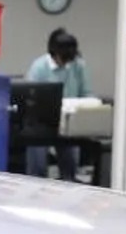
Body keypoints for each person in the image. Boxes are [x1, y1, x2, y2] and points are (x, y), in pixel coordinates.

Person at [24, 29, 90, 179]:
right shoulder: (39, 67)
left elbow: (86, 93)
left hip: (69, 123)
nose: (66, 63)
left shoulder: (78, 66)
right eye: (63, 59)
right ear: (54, 54)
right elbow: (29, 96)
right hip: (40, 122)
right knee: (37, 169)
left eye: (69, 60)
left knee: (70, 168)